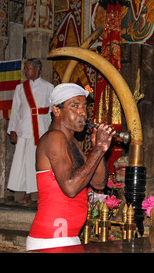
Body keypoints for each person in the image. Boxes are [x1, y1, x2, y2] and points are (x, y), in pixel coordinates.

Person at [26, 83, 114, 251]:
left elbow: (99, 184)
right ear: (57, 110)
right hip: (51, 239)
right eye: (74, 106)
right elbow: (70, 187)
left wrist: (99, 150)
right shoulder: (54, 138)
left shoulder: (72, 141)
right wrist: (97, 149)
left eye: (84, 106)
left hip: (68, 238)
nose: (82, 112)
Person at [7, 58, 54, 204]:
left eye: (28, 68)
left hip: (41, 129)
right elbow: (15, 110)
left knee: (39, 161)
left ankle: (42, 192)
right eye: (25, 68)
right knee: (23, 161)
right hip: (23, 129)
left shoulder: (48, 87)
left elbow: (54, 109)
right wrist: (13, 129)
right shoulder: (20, 88)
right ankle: (27, 193)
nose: (26, 71)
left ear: (37, 69)